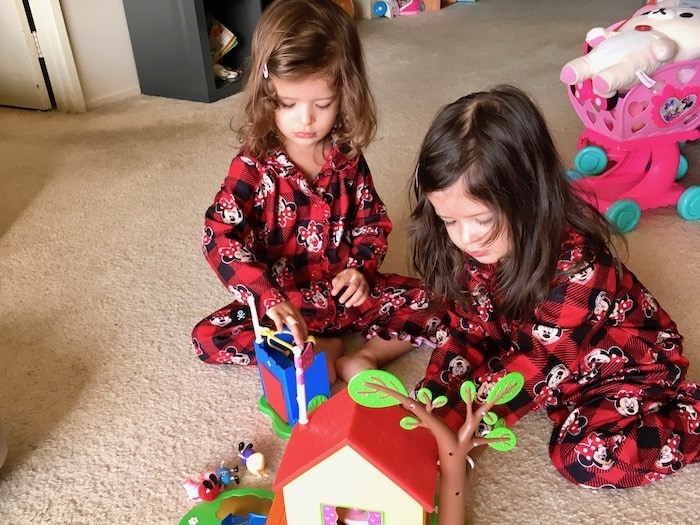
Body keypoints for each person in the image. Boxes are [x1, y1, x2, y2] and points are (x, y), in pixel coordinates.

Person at [404, 85, 700, 489]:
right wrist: (431, 402)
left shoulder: (579, 270)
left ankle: (691, 413)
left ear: (529, 195)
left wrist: (463, 423)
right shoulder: (471, 250)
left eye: (481, 220)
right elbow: (466, 330)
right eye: (449, 220)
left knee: (585, 458)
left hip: (623, 369)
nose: (465, 238)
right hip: (548, 359)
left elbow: (534, 366)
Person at [191, 0, 426, 381]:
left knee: (438, 302)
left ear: (345, 95)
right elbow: (217, 235)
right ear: (267, 95)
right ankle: (323, 347)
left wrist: (359, 270)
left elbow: (372, 221)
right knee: (208, 338)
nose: (306, 120)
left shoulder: (347, 156)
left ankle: (366, 357)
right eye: (287, 103)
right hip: (286, 302)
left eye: (323, 104)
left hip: (347, 296)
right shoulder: (252, 164)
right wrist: (268, 297)